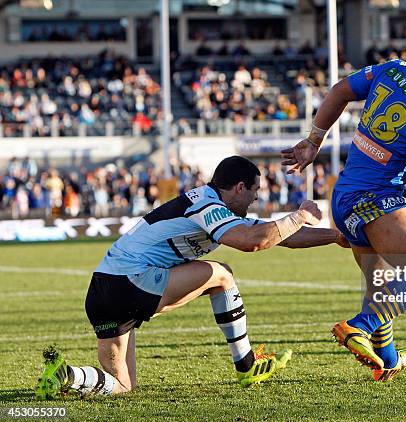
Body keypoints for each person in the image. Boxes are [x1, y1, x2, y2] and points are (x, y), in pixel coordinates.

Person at [36, 156, 349, 399]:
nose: (255, 200)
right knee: (223, 275)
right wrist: (299, 215)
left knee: (122, 385)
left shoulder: (217, 208)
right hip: (133, 281)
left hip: (103, 290)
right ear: (240, 188)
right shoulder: (208, 205)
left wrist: (336, 236)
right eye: (254, 193)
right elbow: (252, 242)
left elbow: (283, 236)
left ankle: (68, 375)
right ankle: (247, 365)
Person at [281, 35, 406, 381]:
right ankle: (356, 327)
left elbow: (339, 91)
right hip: (377, 200)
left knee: (381, 291)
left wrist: (314, 141)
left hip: (343, 198)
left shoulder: (395, 69)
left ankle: (387, 363)